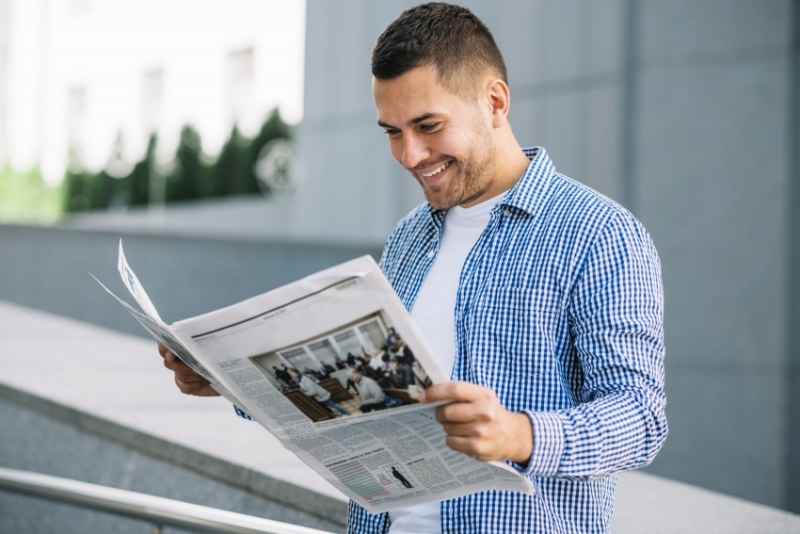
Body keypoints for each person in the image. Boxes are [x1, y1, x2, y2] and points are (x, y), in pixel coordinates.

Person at [158, 3, 666, 532]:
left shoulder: (601, 235)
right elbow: (361, 395)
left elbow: (641, 418)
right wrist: (232, 380)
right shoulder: (409, 237)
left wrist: (520, 435)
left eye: (428, 125)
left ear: (494, 101)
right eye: (393, 131)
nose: (410, 154)